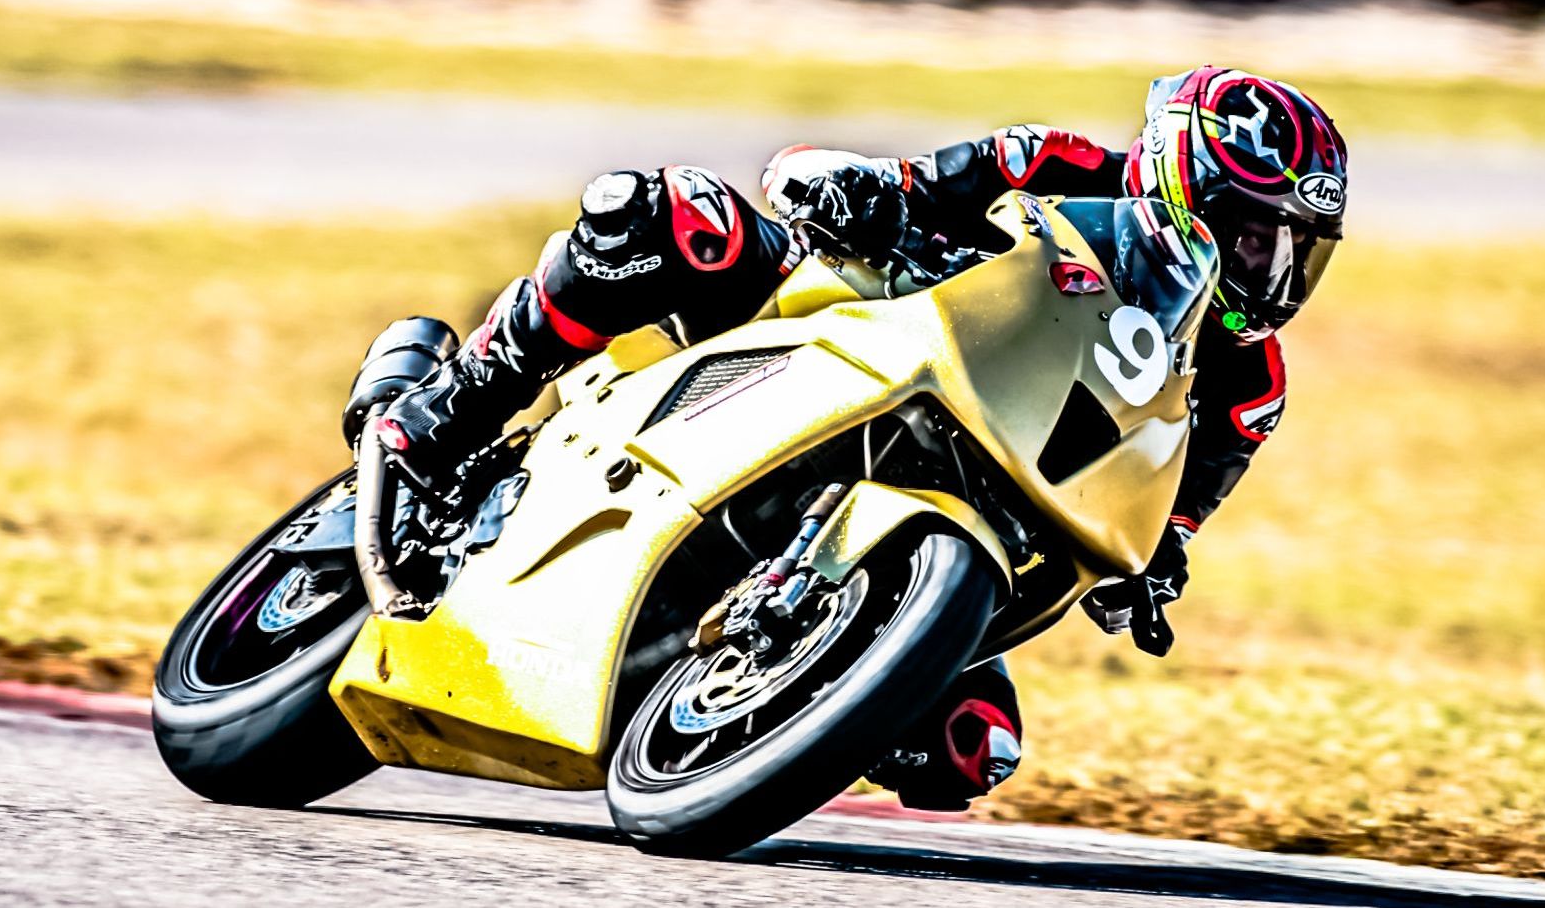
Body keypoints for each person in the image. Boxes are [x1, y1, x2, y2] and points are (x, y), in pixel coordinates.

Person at [377, 65, 1349, 810]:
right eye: (1254, 234)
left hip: (987, 491)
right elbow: (911, 185)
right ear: (1184, 182)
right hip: (845, 331)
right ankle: (445, 414)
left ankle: (793, 686)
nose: (1271, 270)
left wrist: (1154, 563)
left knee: (968, 747)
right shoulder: (1055, 166)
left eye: (1293, 251)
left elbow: (1178, 504)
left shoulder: (1249, 384)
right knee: (669, 217)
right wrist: (857, 194)